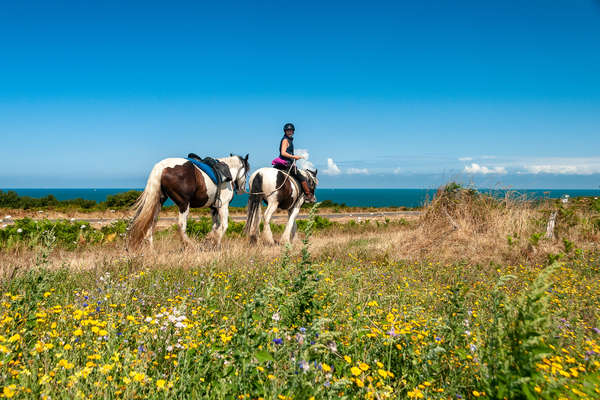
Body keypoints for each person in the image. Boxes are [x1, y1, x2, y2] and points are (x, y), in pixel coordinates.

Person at [275, 122, 316, 203]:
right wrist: (295, 157)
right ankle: (308, 195)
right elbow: (283, 153)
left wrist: (293, 158)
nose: (290, 132)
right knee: (302, 177)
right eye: (288, 131)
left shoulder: (288, 140)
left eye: (291, 131)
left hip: (283, 163)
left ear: (293, 131)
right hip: (286, 164)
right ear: (285, 131)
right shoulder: (285, 140)